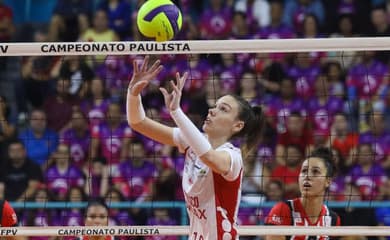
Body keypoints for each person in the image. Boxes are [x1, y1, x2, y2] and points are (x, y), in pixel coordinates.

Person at [127, 56, 264, 239]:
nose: (212, 110)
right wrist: (133, 94)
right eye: (215, 106)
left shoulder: (232, 157)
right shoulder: (192, 140)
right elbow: (138, 123)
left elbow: (209, 157)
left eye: (223, 109)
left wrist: (176, 112)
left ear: (237, 125)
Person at [265, 147, 341, 240]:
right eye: (304, 171)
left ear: (328, 181)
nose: (307, 176)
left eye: (315, 171)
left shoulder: (333, 219)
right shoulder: (282, 210)